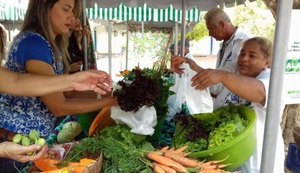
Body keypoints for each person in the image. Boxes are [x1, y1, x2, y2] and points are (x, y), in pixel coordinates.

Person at [0, 0, 117, 171]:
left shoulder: (50, 45)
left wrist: (101, 93)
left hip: (28, 144)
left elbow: (62, 92)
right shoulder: (34, 43)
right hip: (16, 144)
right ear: (44, 7)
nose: (72, 16)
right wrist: (111, 101)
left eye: (73, 11)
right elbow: (58, 106)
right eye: (66, 9)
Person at [173, 37, 285, 173]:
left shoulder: (272, 80)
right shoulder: (238, 76)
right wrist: (191, 64)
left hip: (259, 163)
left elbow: (260, 92)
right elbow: (216, 84)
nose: (244, 58)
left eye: (252, 56)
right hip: (233, 160)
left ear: (268, 62)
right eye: (242, 53)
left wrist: (222, 76)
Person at [203, 8, 251, 99]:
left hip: (236, 99)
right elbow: (221, 71)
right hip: (221, 99)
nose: (209, 34)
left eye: (210, 29)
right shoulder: (224, 44)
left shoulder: (245, 42)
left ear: (222, 25)